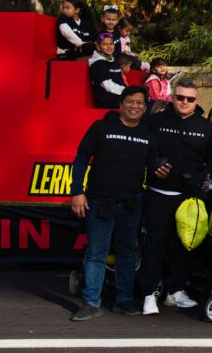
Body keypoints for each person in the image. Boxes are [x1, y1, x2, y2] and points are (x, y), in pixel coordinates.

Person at [68, 86, 159, 320]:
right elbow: (80, 158)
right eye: (130, 101)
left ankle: (124, 300)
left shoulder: (149, 136)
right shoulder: (101, 127)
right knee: (96, 253)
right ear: (120, 104)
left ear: (144, 107)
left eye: (140, 103)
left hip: (132, 203)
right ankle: (90, 302)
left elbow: (154, 168)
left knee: (127, 253)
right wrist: (77, 192)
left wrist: (162, 170)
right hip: (99, 201)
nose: (135, 106)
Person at [139, 80, 212, 314]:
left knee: (184, 247)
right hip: (158, 195)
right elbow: (142, 150)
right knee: (154, 246)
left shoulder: (205, 128)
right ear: (172, 97)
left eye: (190, 99)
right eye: (180, 97)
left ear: (196, 101)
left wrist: (201, 176)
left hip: (189, 198)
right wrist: (154, 165)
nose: (184, 102)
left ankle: (175, 292)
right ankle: (148, 295)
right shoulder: (155, 121)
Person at [88, 33, 126, 108]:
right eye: (105, 44)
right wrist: (127, 92)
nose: (109, 47)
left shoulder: (114, 60)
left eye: (111, 44)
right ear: (98, 47)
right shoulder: (99, 63)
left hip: (119, 95)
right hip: (106, 99)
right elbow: (107, 86)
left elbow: (120, 81)